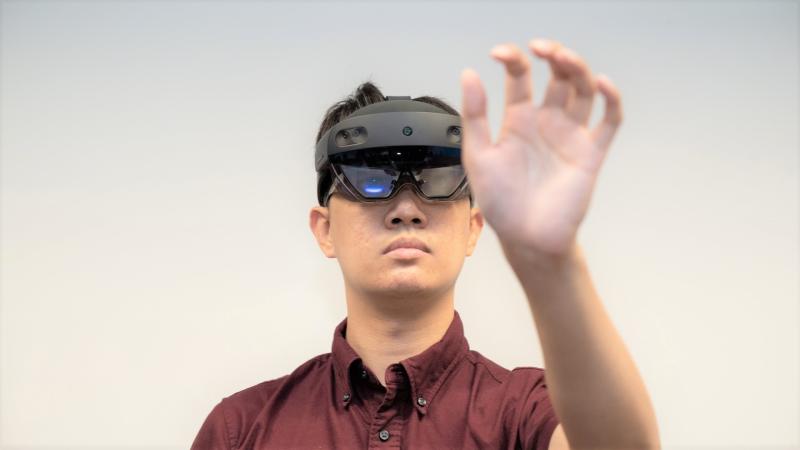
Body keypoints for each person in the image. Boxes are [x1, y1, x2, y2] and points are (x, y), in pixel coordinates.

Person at [190, 37, 660, 450]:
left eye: (438, 181)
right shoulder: (241, 430)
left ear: (473, 228)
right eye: (371, 181)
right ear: (325, 229)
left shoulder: (528, 414)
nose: (406, 209)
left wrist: (550, 262)